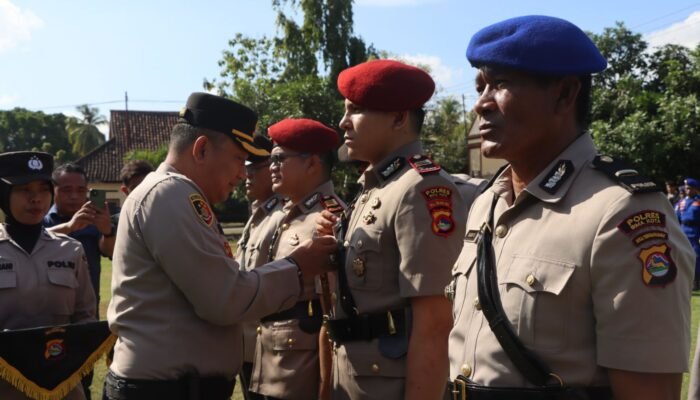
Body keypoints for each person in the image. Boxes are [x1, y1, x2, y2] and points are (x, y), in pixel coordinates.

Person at [447, 15, 694, 400]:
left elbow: (649, 390)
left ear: (564, 94)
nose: (481, 104)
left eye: (501, 84)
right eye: (481, 86)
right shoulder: (486, 205)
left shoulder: (619, 212)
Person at [104, 92, 337, 400]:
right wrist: (297, 267)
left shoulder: (172, 194)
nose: (243, 174)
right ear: (201, 149)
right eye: (239, 159)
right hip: (165, 390)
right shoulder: (171, 195)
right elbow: (225, 299)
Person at [316, 59, 467, 400]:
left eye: (356, 110)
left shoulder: (420, 189)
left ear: (399, 118)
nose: (343, 123)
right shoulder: (374, 188)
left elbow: (434, 325)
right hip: (356, 379)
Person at [249, 118, 343, 400]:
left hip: (300, 376)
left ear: (312, 164)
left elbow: (331, 314)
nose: (272, 167)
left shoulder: (329, 218)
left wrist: (326, 388)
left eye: (279, 159)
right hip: (267, 364)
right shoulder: (285, 215)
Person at [0, 151, 96, 400]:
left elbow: (85, 317)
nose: (35, 199)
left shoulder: (71, 249)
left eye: (43, 189)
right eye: (24, 189)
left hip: (63, 387)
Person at [235, 134, 282, 400]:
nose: (245, 174)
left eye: (254, 167)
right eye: (245, 167)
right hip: (247, 345)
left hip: (271, 349)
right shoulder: (258, 214)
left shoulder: (282, 215)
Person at [43, 162, 115, 313]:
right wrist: (69, 227)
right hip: (47, 311)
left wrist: (107, 231)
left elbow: (110, 252)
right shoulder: (41, 220)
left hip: (86, 309)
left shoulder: (94, 221)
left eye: (81, 190)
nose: (74, 196)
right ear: (53, 190)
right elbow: (34, 240)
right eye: (66, 190)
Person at [676, 178, 700, 290]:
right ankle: (684, 281)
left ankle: (696, 282)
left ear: (696, 189)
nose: (687, 190)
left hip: (695, 233)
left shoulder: (698, 201)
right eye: (686, 188)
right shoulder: (681, 202)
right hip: (682, 233)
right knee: (681, 257)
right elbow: (676, 219)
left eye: (690, 188)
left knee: (696, 257)